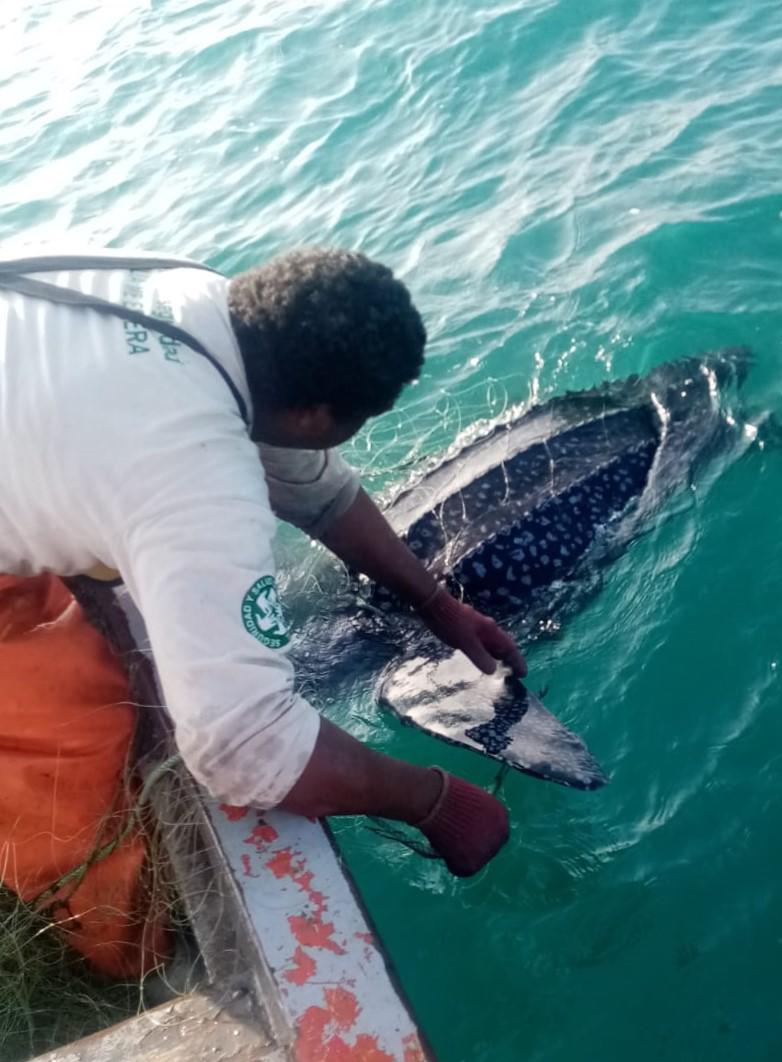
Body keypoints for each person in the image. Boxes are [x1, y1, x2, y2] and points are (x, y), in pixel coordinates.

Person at [0, 246, 525, 976]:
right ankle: (136, 962)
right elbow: (241, 749)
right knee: (73, 755)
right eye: (360, 419)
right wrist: (432, 800)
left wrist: (435, 603)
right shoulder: (194, 478)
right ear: (313, 412)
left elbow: (316, 487)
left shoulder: (203, 307)